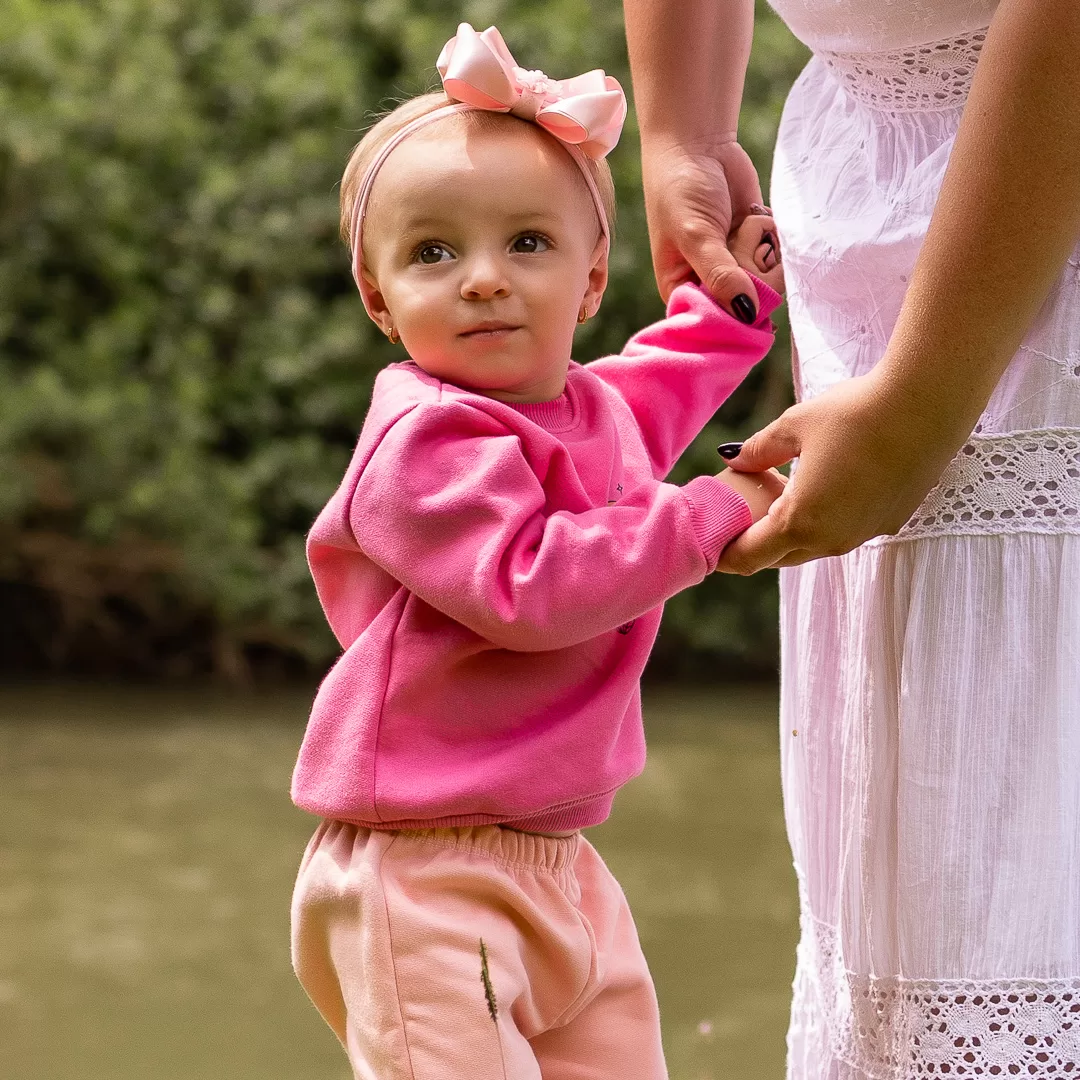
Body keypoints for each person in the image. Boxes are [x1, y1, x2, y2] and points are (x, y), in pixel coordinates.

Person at [287, 23, 785, 1080]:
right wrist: (709, 511)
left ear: (592, 281)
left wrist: (735, 310)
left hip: (561, 862)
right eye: (434, 253)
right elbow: (534, 585)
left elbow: (658, 383)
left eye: (527, 243)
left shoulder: (581, 412)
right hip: (424, 874)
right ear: (378, 299)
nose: (482, 280)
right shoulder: (421, 443)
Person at [624, 0, 1080, 1075]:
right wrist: (682, 128)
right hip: (856, 200)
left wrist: (927, 395)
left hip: (1043, 178)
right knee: (914, 908)